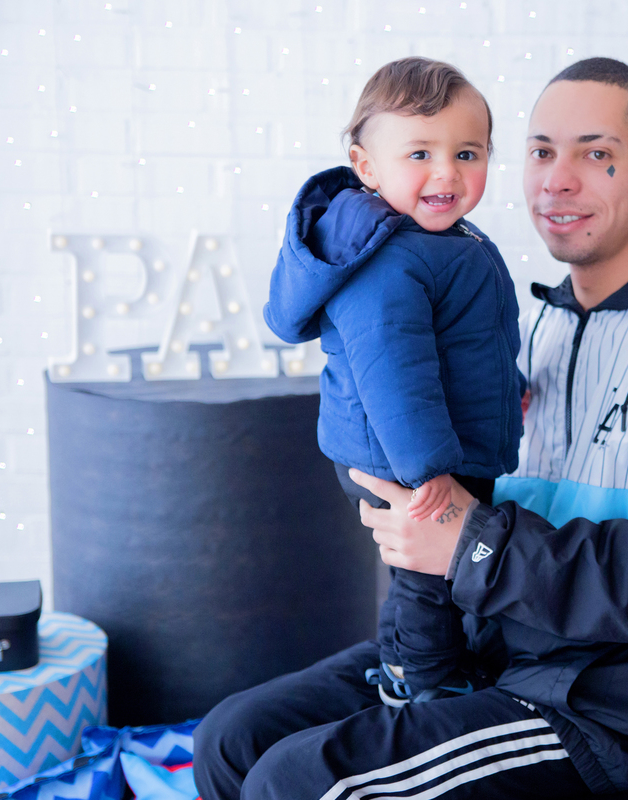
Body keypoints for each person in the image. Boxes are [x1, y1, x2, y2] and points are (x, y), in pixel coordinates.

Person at [195, 57, 628, 800]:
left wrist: (470, 543)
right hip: (494, 653)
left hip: (601, 708)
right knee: (233, 741)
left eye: (598, 155)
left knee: (299, 782)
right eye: (543, 152)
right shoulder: (542, 321)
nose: (558, 180)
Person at [260, 57, 524, 706]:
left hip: (432, 443)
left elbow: (470, 337)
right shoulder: (386, 258)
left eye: (467, 153)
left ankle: (418, 663)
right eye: (419, 153)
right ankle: (426, 683)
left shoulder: (449, 239)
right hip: (401, 451)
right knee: (426, 574)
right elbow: (392, 372)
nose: (446, 172)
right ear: (367, 166)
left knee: (430, 568)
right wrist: (426, 468)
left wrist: (511, 383)